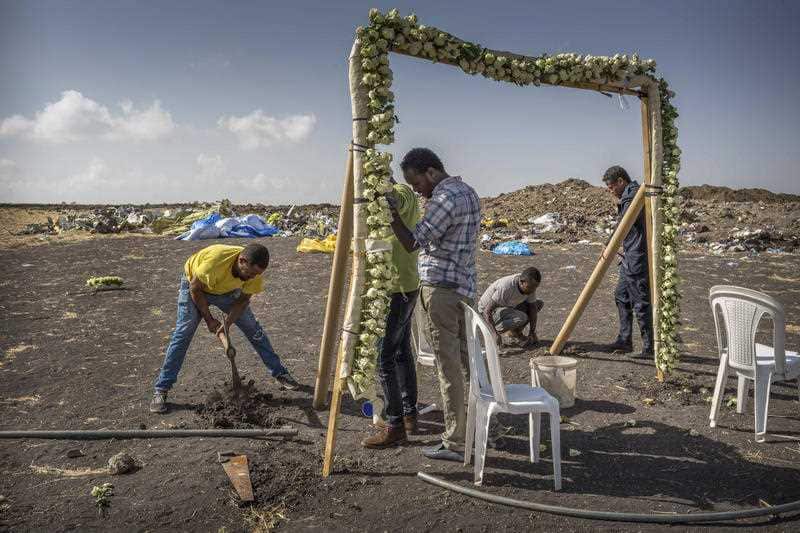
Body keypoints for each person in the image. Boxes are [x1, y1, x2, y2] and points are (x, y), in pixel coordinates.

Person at [387, 147, 481, 462]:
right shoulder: (468, 192)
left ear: (430, 172)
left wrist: (392, 216)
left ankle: (455, 441)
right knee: (469, 363)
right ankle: (482, 427)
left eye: (417, 183)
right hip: (464, 287)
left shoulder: (444, 199)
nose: (417, 191)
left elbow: (414, 241)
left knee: (449, 367)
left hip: (442, 291)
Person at [149, 243, 299, 413]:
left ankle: (280, 373)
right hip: (196, 286)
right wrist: (210, 320)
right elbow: (195, 288)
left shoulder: (254, 274)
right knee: (183, 333)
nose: (251, 278)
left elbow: (242, 301)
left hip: (226, 290)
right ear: (242, 260)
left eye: (256, 275)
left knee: (254, 330)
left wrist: (226, 324)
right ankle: (161, 389)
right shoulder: (215, 262)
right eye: (249, 273)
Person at [361, 179, 422, 449]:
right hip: (405, 285)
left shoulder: (400, 193)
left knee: (383, 357)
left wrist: (382, 196)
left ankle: (395, 424)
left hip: (398, 289)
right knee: (400, 352)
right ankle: (409, 413)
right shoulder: (400, 195)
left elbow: (396, 202)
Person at [602, 165, 654, 359]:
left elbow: (623, 224)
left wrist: (609, 245)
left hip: (637, 257)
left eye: (611, 187)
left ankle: (649, 348)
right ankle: (625, 340)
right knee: (621, 295)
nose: (610, 191)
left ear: (621, 181)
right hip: (629, 256)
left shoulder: (633, 197)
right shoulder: (629, 195)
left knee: (640, 302)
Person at [477, 267, 543, 349]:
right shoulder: (506, 287)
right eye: (530, 287)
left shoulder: (529, 285)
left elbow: (533, 308)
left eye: (535, 287)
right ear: (521, 282)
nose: (533, 290)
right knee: (521, 317)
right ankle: (494, 331)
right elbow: (487, 311)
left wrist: (532, 332)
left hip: (506, 306)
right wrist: (494, 333)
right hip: (487, 312)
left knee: (538, 304)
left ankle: (515, 333)